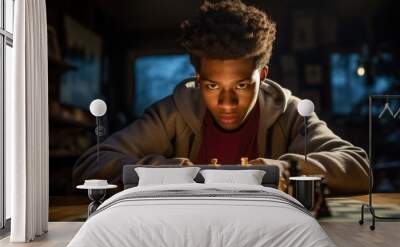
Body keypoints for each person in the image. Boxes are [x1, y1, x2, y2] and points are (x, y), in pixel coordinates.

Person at [73, 0, 369, 194]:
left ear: (262, 77)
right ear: (198, 79)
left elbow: (358, 168)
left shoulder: (290, 113)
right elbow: (93, 162)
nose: (227, 103)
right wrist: (163, 172)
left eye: (241, 85)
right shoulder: (172, 113)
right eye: (212, 86)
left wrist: (285, 169)